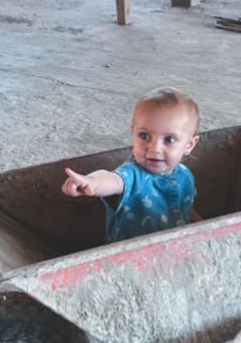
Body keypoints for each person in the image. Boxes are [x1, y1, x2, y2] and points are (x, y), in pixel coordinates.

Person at [62, 86, 200, 243]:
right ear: (133, 133)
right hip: (133, 259)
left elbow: (185, 207)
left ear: (189, 145)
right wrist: (91, 182)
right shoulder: (132, 175)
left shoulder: (185, 175)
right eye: (144, 136)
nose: (154, 148)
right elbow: (111, 179)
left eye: (169, 139)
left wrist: (203, 226)